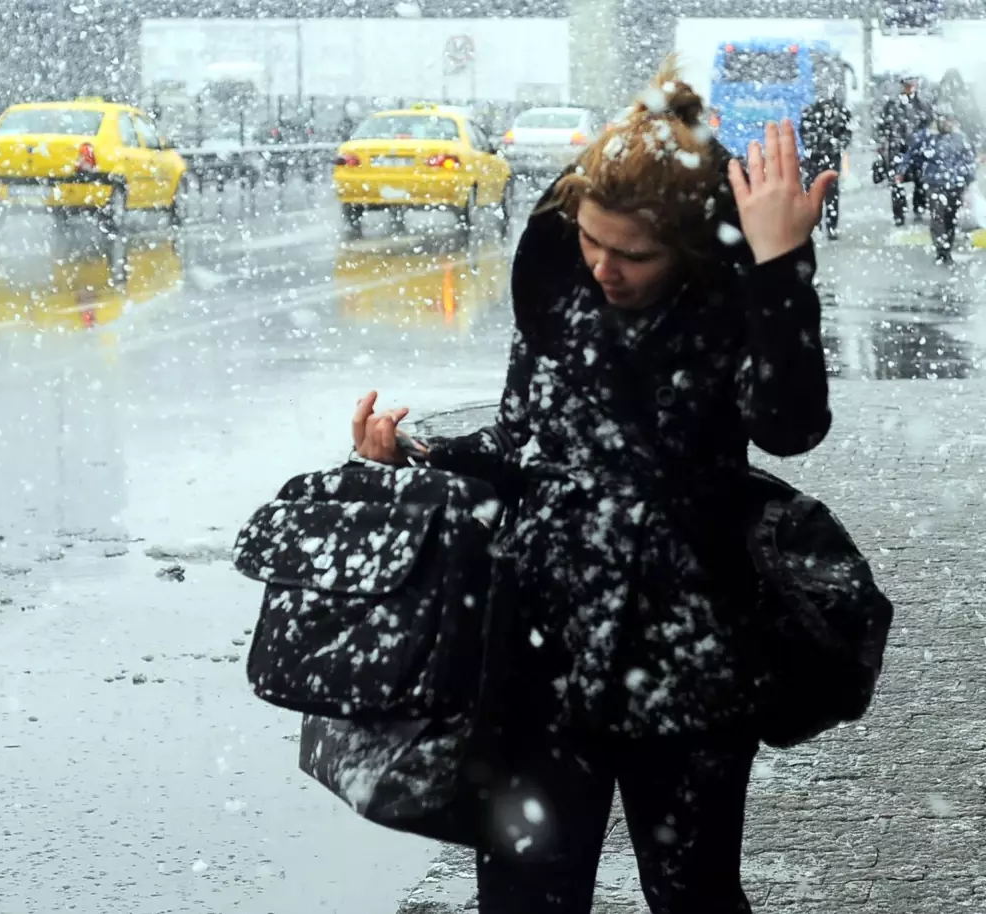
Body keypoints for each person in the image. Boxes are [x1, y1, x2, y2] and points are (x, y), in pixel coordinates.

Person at [350, 57, 833, 914]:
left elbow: (790, 426)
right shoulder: (559, 300)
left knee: (695, 894)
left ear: (685, 251)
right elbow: (520, 444)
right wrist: (414, 456)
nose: (604, 268)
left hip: (693, 648)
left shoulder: (731, 310)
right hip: (544, 645)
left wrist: (781, 267)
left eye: (633, 254)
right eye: (590, 240)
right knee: (525, 894)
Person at [899, 105, 977, 264]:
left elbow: (968, 161)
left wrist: (969, 181)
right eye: (943, 119)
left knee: (950, 217)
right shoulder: (926, 137)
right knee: (937, 217)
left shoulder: (960, 139)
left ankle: (947, 246)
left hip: (955, 184)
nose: (947, 122)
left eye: (949, 119)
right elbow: (912, 155)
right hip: (935, 183)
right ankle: (941, 250)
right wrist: (902, 170)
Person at [876, 75, 934, 225]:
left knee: (920, 181)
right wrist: (885, 145)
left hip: (918, 150)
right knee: (897, 182)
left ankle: (919, 210)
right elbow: (882, 128)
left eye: (914, 83)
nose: (911, 87)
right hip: (898, 150)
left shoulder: (924, 105)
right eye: (908, 84)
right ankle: (899, 215)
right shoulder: (892, 105)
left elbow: (929, 125)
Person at [800, 89, 853, 239]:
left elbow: (847, 133)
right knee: (813, 192)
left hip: (831, 158)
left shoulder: (840, 112)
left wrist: (838, 144)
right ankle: (816, 225)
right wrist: (817, 142)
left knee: (831, 193)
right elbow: (804, 134)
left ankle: (831, 227)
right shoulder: (810, 112)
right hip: (814, 159)